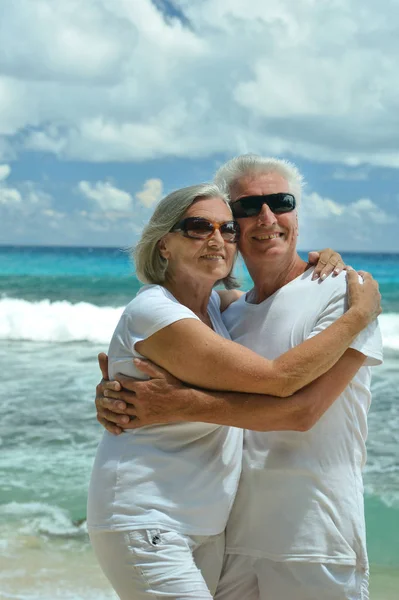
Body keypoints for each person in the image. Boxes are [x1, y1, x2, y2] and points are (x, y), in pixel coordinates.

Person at [96, 156, 383, 600]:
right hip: (231, 540)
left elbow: (303, 411)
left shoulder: (338, 294)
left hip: (313, 539)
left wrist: (180, 403)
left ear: (297, 216)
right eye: (247, 209)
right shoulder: (228, 312)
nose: (266, 218)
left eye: (280, 203)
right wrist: (116, 388)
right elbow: (262, 374)